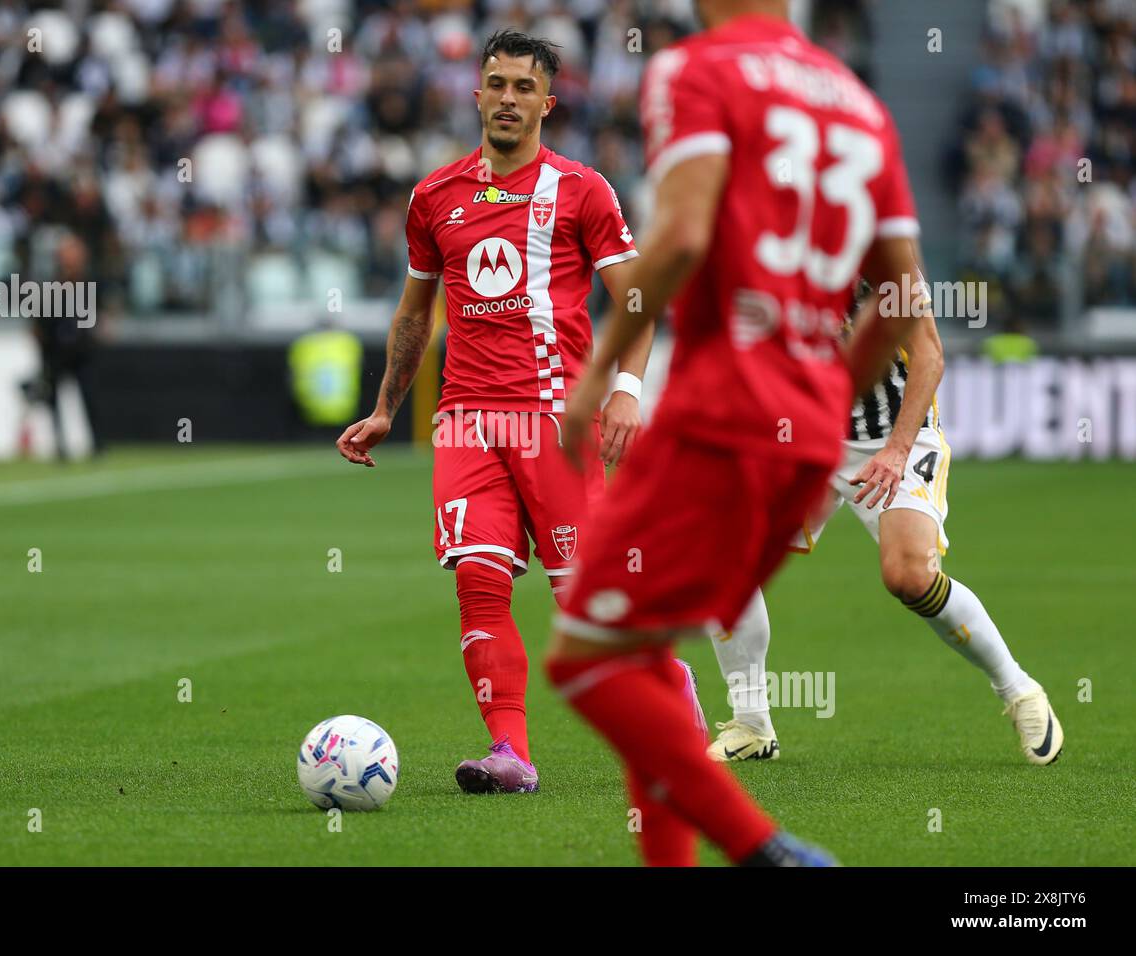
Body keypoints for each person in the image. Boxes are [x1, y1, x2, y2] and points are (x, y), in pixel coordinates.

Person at [546, 0, 925, 866]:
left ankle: (769, 851)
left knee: (585, 660)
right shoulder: (859, 102)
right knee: (641, 655)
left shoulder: (696, 69)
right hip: (807, 437)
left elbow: (679, 238)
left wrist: (601, 375)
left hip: (720, 417)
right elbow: (903, 299)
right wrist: (830, 398)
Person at [337, 30, 705, 795]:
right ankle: (511, 752)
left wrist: (628, 394)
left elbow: (637, 302)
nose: (507, 98)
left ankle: (674, 695)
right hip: (467, 421)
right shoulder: (434, 196)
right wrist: (384, 408)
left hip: (556, 423)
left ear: (548, 101)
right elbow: (414, 315)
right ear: (477, 95)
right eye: (495, 83)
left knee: (587, 603)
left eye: (522, 87)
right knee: (478, 581)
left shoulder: (582, 190)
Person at [706, 281, 1063, 766]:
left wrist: (896, 450)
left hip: (899, 437)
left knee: (909, 576)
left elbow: (930, 357)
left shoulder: (883, 254)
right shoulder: (775, 245)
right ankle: (751, 724)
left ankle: (1018, 690)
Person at [34, 234, 103, 459]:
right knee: (54, 399)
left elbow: (102, 312)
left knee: (90, 397)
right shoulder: (51, 286)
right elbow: (40, 320)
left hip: (82, 350)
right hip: (56, 352)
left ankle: (97, 443)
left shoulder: (90, 282)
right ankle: (60, 444)